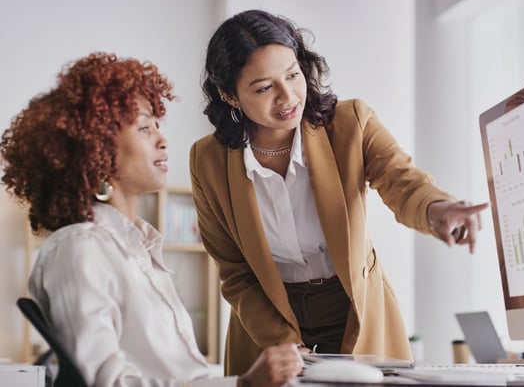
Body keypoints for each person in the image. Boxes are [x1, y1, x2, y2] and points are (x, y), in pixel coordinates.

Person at [190, 9, 489, 376]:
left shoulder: (351, 122)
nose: (287, 97)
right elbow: (235, 272)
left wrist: (435, 207)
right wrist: (280, 341)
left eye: (293, 75)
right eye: (265, 87)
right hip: (267, 319)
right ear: (229, 95)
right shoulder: (208, 160)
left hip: (354, 309)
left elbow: (401, 180)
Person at [0, 52, 302, 387]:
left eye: (157, 126)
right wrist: (243, 384)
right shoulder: (80, 247)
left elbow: (184, 377)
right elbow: (105, 382)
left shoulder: (135, 247)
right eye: (144, 128)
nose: (163, 140)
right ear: (95, 150)